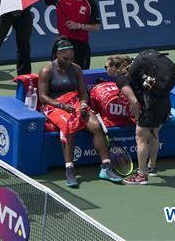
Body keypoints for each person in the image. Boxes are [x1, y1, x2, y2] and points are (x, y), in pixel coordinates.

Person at [38, 38, 123, 187]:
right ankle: (70, 170)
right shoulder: (47, 71)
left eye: (71, 58)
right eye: (66, 58)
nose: (69, 61)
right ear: (58, 54)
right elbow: (43, 97)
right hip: (54, 106)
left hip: (75, 103)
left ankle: (106, 167)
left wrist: (83, 103)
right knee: (68, 126)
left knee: (96, 126)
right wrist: (62, 106)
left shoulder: (76, 69)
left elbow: (83, 93)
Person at [104, 54, 168, 185]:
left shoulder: (121, 79)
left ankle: (141, 176)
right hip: (165, 103)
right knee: (154, 135)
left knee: (141, 138)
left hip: (150, 107)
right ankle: (152, 167)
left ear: (114, 67)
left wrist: (138, 118)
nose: (105, 69)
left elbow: (133, 100)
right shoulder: (138, 72)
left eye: (106, 66)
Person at [53, 0, 100, 68]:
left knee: (81, 74)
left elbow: (97, 27)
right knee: (56, 73)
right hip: (62, 41)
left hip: (80, 45)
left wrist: (78, 26)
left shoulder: (91, 4)